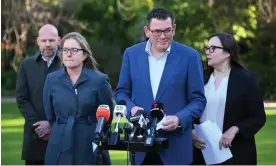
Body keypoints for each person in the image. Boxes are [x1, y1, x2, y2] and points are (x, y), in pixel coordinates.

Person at [115, 7, 206, 165]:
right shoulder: (131, 54)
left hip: (176, 148)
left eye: (167, 30)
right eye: (157, 31)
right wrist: (132, 109)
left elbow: (198, 100)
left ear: (174, 29)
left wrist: (179, 118)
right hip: (140, 146)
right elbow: (121, 93)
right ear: (147, 31)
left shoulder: (190, 56)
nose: (163, 36)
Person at [192, 33, 266, 165]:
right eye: (207, 48)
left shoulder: (246, 79)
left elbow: (258, 117)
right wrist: (191, 132)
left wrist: (235, 129)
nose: (208, 52)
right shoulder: (199, 77)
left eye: (213, 48)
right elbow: (188, 108)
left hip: (235, 154)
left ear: (227, 53)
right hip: (201, 153)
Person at [43, 32, 113, 165]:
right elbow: (50, 115)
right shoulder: (52, 80)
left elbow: (107, 117)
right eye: (65, 50)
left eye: (74, 50)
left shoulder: (99, 80)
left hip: (89, 141)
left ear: (85, 54)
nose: (68, 54)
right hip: (60, 141)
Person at [16, 24, 61, 165]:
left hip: (61, 136)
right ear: (38, 41)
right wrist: (40, 126)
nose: (47, 44)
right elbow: (22, 99)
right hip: (34, 137)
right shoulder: (26, 65)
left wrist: (51, 124)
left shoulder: (67, 65)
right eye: (44, 40)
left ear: (59, 41)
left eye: (51, 40)